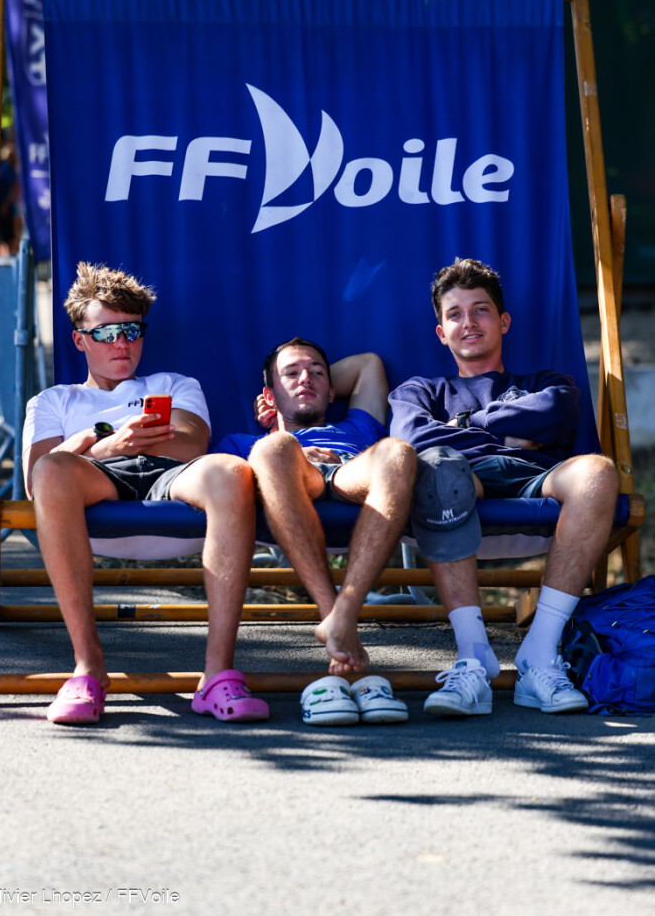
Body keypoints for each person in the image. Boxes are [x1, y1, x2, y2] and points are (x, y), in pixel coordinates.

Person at [23, 262, 269, 726]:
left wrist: (93, 443)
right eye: (106, 333)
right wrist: (107, 444)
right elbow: (39, 476)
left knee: (231, 470)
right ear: (79, 339)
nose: (122, 343)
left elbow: (191, 444)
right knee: (53, 471)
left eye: (132, 330)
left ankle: (217, 675)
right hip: (94, 479)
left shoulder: (174, 384)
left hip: (169, 476)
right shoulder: (54, 401)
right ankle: (88, 669)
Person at [389, 257, 619, 717]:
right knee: (437, 468)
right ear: (441, 332)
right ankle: (474, 657)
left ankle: (539, 655)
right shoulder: (420, 391)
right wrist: (507, 433)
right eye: (455, 314)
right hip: (460, 482)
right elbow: (411, 438)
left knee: (598, 472)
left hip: (538, 479)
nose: (469, 323)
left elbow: (557, 412)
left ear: (504, 321)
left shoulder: (545, 383)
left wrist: (463, 425)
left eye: (481, 310)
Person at [215, 338, 417, 725]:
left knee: (398, 451)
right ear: (268, 394)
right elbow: (226, 487)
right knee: (274, 449)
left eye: (317, 373)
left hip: (351, 472)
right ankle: (335, 620)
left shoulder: (358, 425)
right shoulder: (243, 443)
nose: (305, 378)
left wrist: (294, 383)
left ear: (334, 390)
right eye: (291, 373)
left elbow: (368, 362)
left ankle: (343, 617)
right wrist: (291, 440)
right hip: (288, 476)